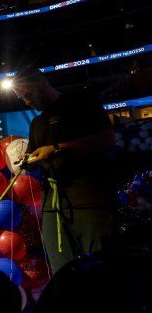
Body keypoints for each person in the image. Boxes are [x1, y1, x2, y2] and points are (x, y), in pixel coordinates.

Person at [12, 66, 117, 275]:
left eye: (28, 95)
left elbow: (107, 139)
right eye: (22, 99)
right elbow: (35, 158)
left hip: (89, 203)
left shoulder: (82, 102)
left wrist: (58, 149)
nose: (27, 102)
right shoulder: (36, 123)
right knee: (62, 272)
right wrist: (28, 161)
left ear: (42, 83)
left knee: (104, 269)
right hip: (52, 209)